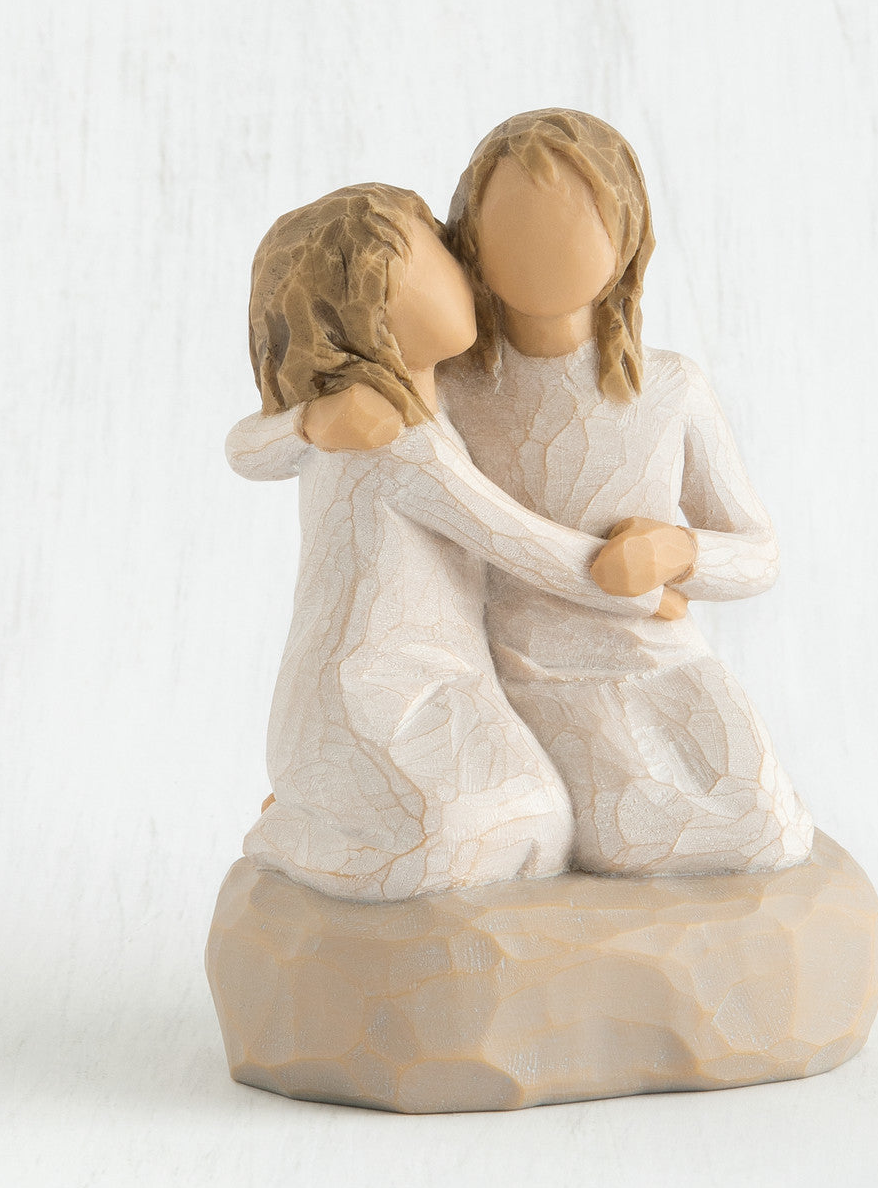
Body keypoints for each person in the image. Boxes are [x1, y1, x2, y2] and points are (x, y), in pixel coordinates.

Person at [273, 112, 816, 876]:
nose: (543, 239)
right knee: (627, 837)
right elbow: (313, 459)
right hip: (532, 673)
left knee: (768, 828)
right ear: (470, 236)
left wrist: (678, 552)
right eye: (511, 218)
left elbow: (759, 554)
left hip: (665, 662)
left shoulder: (672, 389)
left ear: (626, 231)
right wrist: (308, 421)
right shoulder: (452, 389)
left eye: (577, 214)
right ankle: (354, 802)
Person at [229, 183, 683, 902]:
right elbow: (516, 539)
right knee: (469, 839)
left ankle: (332, 813)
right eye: (436, 250)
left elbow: (251, 445)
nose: (464, 261)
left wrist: (307, 423)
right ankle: (295, 831)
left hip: (445, 683)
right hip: (367, 694)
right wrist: (638, 593)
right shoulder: (393, 440)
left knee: (538, 822)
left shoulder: (414, 413)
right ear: (373, 301)